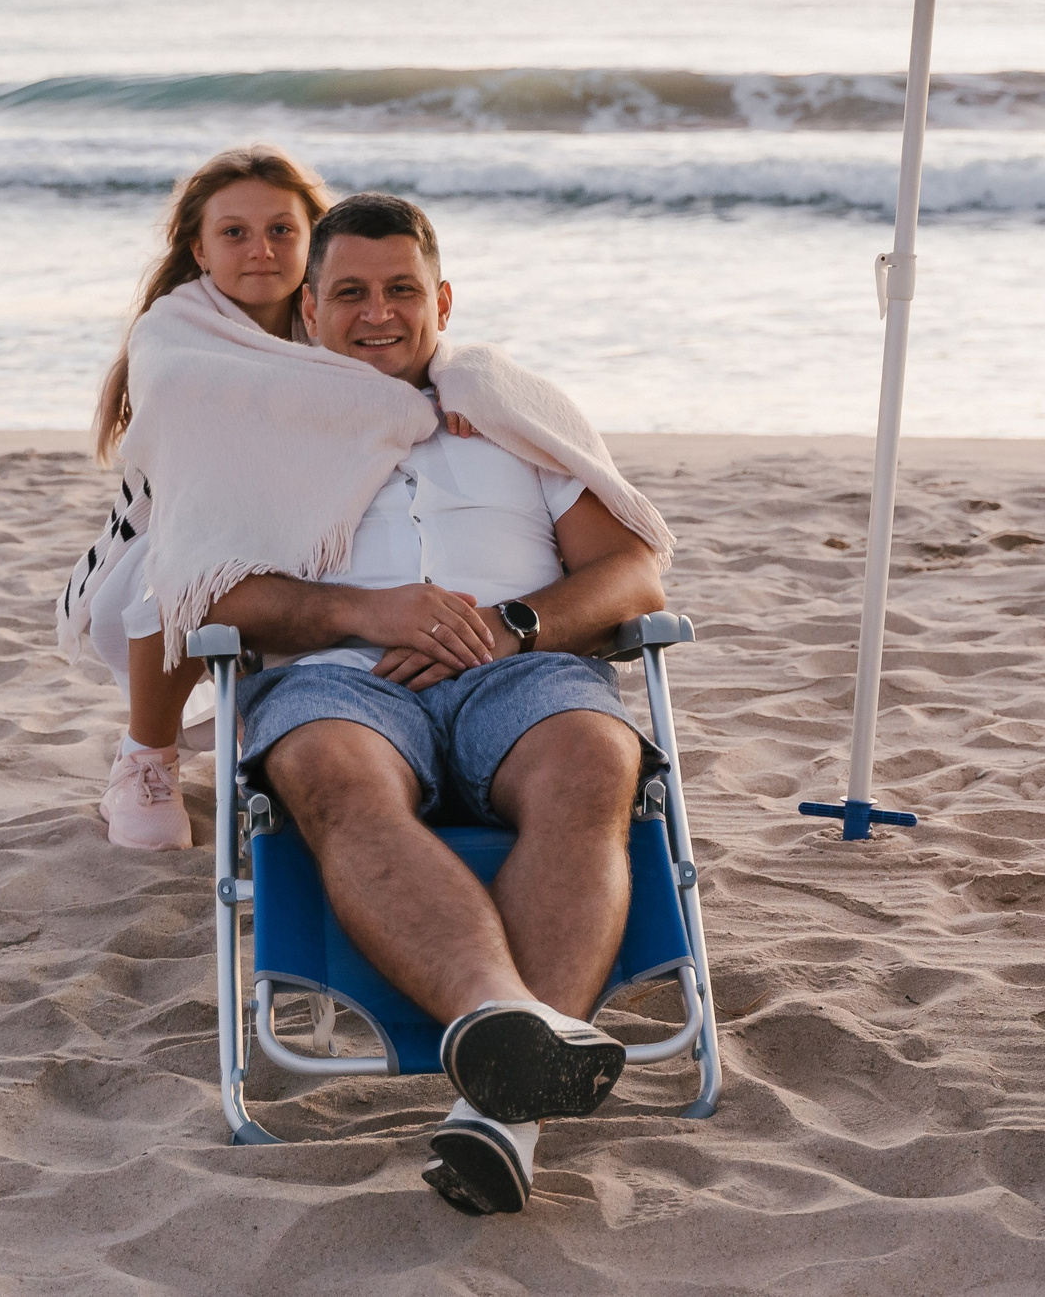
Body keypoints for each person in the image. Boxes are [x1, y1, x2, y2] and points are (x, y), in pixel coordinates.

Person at [132, 192, 672, 1218]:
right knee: (331, 780)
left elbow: (635, 575)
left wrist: (514, 625)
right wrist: (365, 609)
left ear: (442, 299)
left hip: (521, 669)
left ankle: (507, 1106)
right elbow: (211, 589)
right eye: (348, 294)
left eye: (400, 291)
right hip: (342, 678)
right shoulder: (260, 429)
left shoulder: (510, 420)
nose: (377, 313)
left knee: (595, 764)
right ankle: (504, 1034)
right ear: (308, 311)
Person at [56, 145, 333, 851]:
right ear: (200, 250)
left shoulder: (334, 322)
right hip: (170, 543)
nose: (261, 249)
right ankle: (145, 758)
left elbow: (399, 383)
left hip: (303, 533)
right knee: (186, 575)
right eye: (234, 232)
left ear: (314, 239)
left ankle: (266, 736)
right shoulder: (171, 332)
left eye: (282, 230)